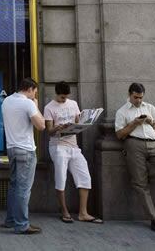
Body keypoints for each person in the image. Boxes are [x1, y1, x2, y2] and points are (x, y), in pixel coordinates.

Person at [114, 82, 155, 232]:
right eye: (136, 97)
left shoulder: (150, 108)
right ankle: (153, 218)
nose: (138, 100)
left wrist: (151, 122)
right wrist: (134, 124)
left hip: (153, 144)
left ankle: (143, 174)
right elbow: (119, 135)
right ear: (130, 94)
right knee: (141, 186)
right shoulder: (122, 111)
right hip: (133, 145)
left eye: (141, 98)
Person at [43, 81, 102, 224]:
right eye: (62, 97)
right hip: (58, 146)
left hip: (74, 147)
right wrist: (58, 128)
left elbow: (78, 121)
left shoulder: (73, 103)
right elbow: (49, 132)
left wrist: (86, 119)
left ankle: (83, 212)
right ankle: (64, 211)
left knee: (84, 176)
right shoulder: (49, 107)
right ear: (56, 93)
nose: (64, 99)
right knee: (61, 179)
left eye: (66, 97)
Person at [1, 77, 45, 234]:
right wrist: (36, 107)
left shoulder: (7, 101)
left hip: (11, 148)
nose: (35, 95)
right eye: (35, 92)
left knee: (14, 186)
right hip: (25, 149)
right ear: (30, 89)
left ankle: (11, 220)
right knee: (24, 189)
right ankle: (22, 224)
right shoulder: (28, 103)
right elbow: (41, 125)